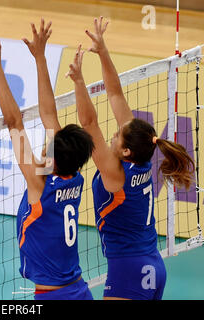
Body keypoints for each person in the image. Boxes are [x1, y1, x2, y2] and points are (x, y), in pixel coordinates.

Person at [66, 16, 195, 300]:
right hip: (153, 265)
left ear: (125, 151)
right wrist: (103, 51)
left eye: (116, 136)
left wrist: (78, 81)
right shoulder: (141, 156)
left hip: (129, 270)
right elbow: (114, 93)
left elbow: (89, 124)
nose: (113, 135)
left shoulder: (116, 174)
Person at [0, 20, 94, 300]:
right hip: (80, 290)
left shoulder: (39, 182)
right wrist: (41, 58)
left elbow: (14, 121)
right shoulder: (74, 176)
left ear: (51, 157)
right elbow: (49, 115)